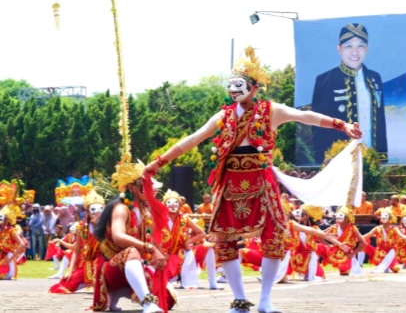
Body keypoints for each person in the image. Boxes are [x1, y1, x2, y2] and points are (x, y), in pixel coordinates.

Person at [144, 47, 362, 313]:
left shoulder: (272, 111)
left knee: (274, 237)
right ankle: (239, 299)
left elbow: (307, 117)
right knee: (224, 241)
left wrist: (342, 125)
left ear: (254, 87)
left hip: (261, 181)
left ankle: (265, 299)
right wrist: (158, 163)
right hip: (229, 182)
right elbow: (192, 140)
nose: (234, 89)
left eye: (240, 84)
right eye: (231, 85)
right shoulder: (223, 116)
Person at [92, 159, 174, 313]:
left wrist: (157, 255)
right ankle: (147, 303)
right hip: (112, 268)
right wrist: (148, 248)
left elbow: (152, 240)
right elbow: (118, 237)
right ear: (132, 187)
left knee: (169, 299)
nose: (151, 189)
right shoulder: (121, 209)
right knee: (132, 251)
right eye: (146, 186)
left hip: (136, 263)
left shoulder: (144, 212)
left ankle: (119, 294)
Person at [310, 23, 387, 163]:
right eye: (349, 46)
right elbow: (317, 125)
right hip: (339, 158)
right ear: (339, 49)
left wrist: (382, 156)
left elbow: (380, 120)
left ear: (367, 49)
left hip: (371, 156)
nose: (355, 52)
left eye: (360, 46)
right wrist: (323, 160)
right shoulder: (324, 80)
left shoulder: (374, 78)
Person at [49, 190, 104, 294]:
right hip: (86, 264)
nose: (97, 213)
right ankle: (86, 282)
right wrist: (70, 271)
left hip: (103, 263)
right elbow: (76, 250)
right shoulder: (81, 227)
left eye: (101, 210)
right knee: (63, 285)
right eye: (94, 211)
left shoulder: (109, 226)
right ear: (87, 212)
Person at [0, 205, 26, 280]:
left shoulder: (12, 231)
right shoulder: (1, 231)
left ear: (6, 221)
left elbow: (22, 244)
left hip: (8, 256)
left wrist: (11, 258)